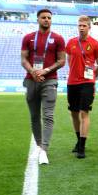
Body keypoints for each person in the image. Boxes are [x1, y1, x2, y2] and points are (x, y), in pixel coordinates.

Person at [20, 9, 66, 165]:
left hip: (50, 81)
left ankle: (44, 150)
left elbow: (61, 61)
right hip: (31, 80)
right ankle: (39, 146)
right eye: (43, 17)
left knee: (48, 116)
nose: (47, 20)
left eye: (49, 18)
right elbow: (23, 59)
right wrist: (33, 71)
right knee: (34, 116)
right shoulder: (28, 38)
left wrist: (45, 70)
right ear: (38, 19)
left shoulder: (58, 38)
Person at [65, 15, 98, 159]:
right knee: (74, 113)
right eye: (79, 26)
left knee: (84, 113)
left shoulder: (95, 44)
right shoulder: (70, 43)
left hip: (87, 83)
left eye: (84, 26)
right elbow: (69, 61)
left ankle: (82, 146)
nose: (81, 28)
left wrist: (92, 75)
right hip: (72, 83)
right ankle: (78, 141)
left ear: (89, 27)